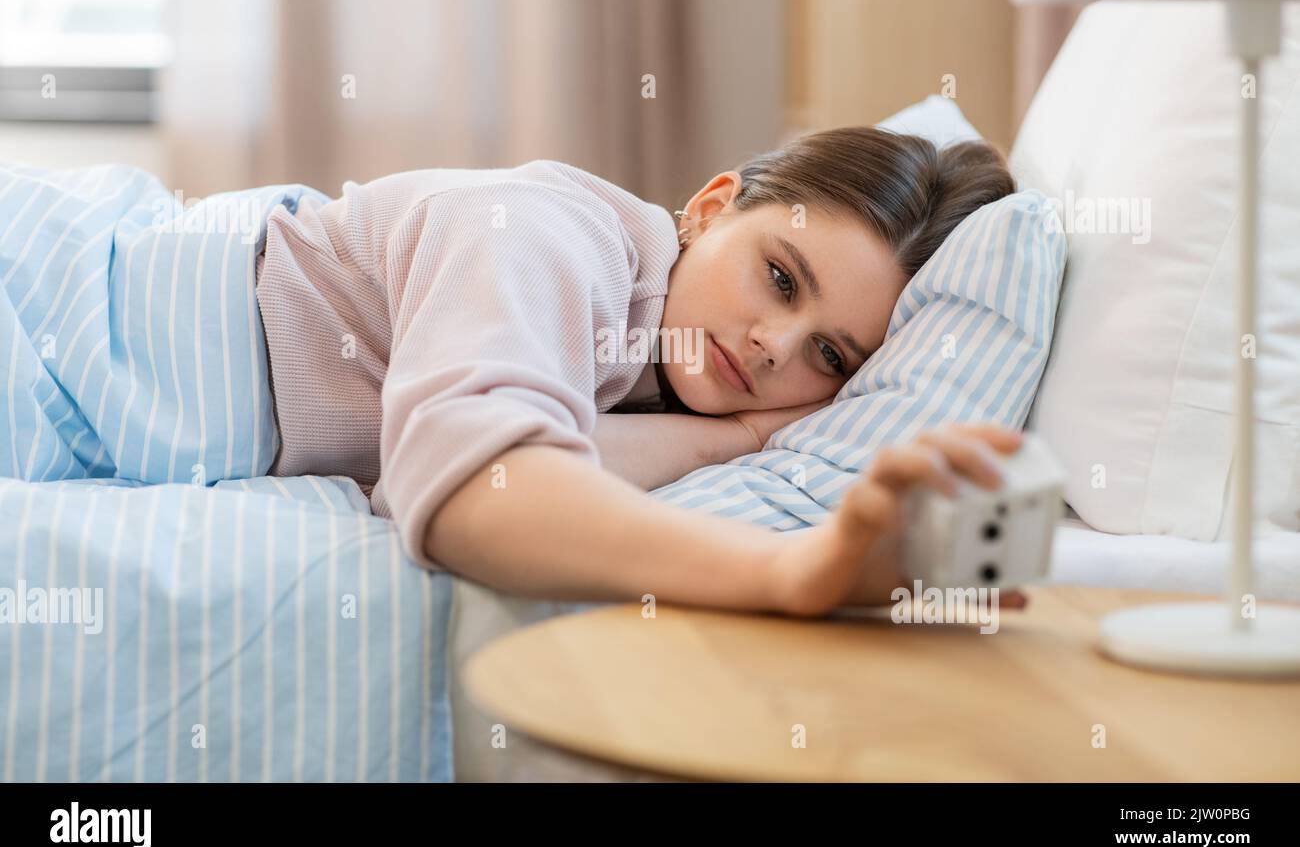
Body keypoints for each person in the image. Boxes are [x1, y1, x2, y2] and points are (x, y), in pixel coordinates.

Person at [252, 125, 1022, 617]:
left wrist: (739, 438)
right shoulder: (546, 234)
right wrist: (791, 570)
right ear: (712, 208)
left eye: (829, 354)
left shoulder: (657, 370)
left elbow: (490, 463)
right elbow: (472, 489)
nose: (773, 346)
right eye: (782, 279)